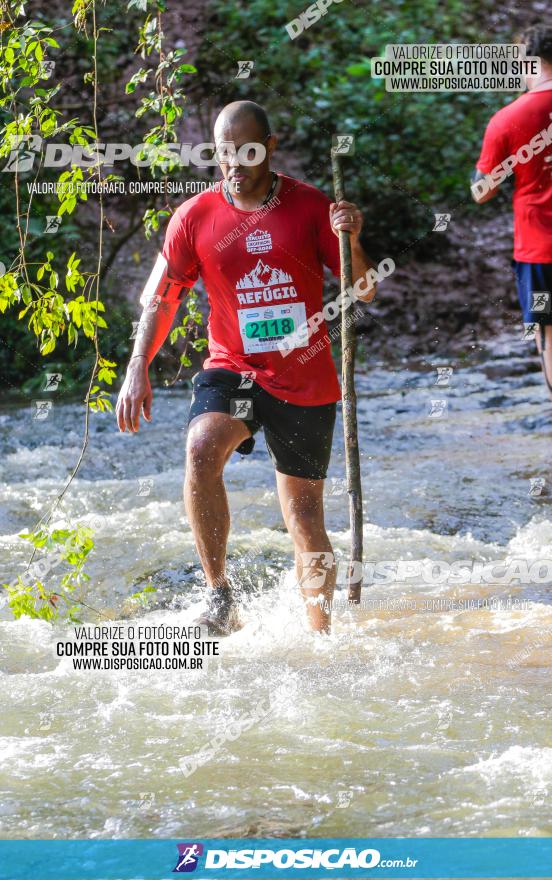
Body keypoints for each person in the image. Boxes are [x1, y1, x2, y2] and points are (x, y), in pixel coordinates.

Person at [116, 100, 377, 635]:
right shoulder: (195, 217)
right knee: (201, 447)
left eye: (248, 150)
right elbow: (163, 298)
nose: (235, 163)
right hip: (234, 370)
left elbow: (364, 290)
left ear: (270, 147)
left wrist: (350, 238)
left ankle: (319, 637)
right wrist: (138, 363)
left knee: (304, 515)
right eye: (224, 152)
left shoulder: (310, 207)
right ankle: (220, 596)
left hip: (304, 378)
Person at [471, 24, 552, 458]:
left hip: (541, 253)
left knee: (551, 342)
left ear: (526, 62)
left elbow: (483, 191)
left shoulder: (508, 118)